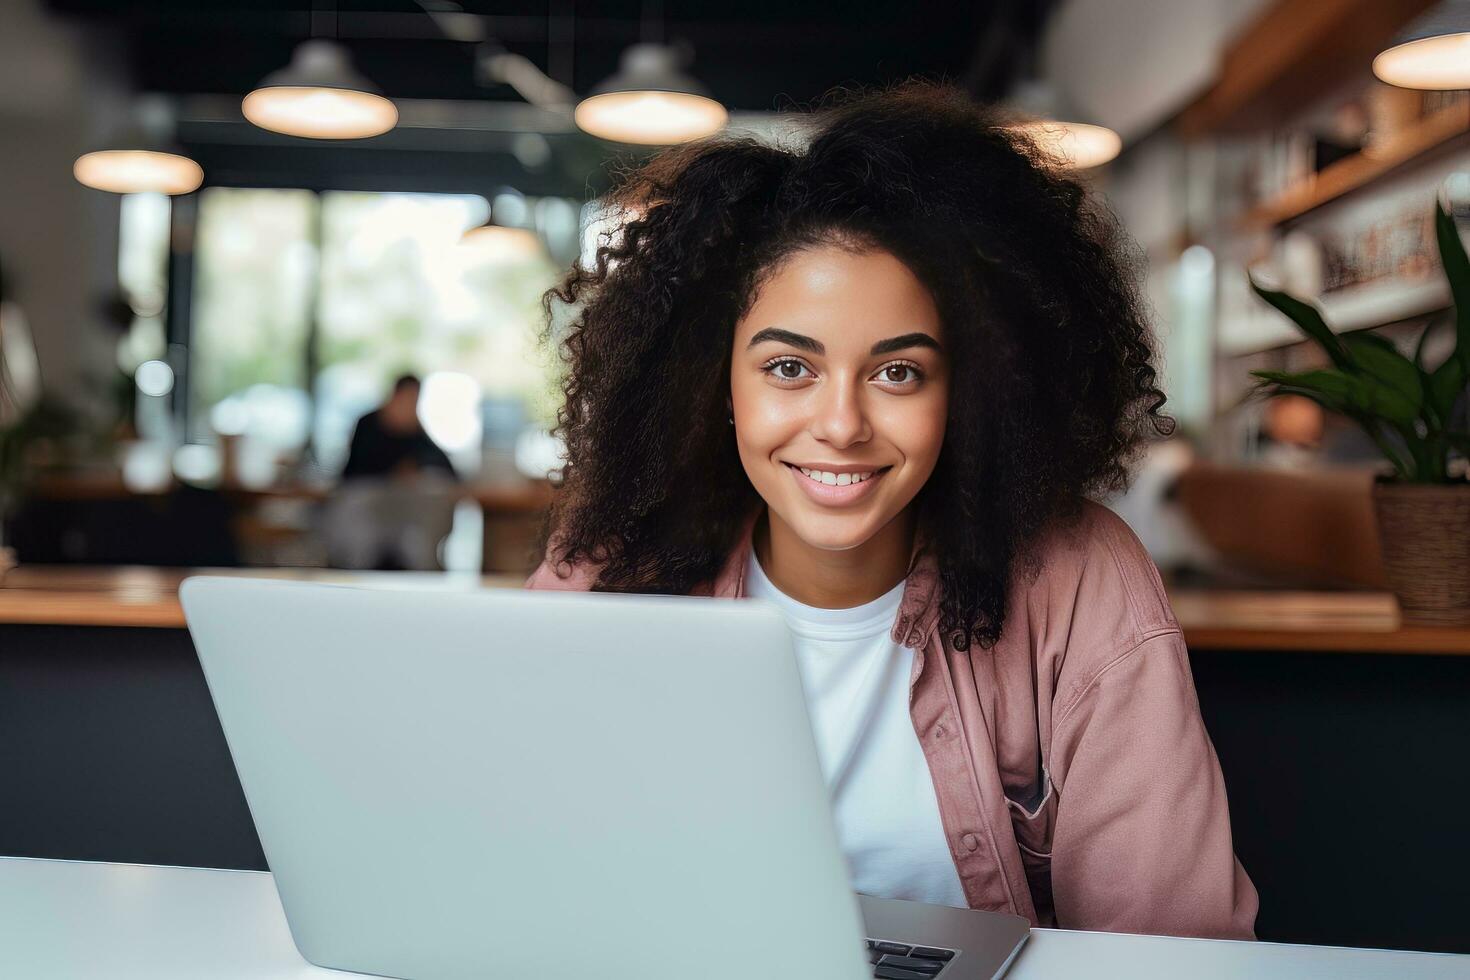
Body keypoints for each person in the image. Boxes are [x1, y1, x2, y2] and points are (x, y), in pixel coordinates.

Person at [526, 81, 1258, 939]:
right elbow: (520, 873)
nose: (840, 426)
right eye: (789, 368)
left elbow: (1168, 949)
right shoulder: (612, 571)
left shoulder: (1077, 580)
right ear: (715, 384)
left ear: (972, 391)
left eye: (898, 372)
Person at [324, 374, 459, 570]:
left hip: (401, 512)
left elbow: (448, 469)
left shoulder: (414, 430)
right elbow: (356, 469)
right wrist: (395, 471)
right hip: (363, 506)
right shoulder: (367, 423)